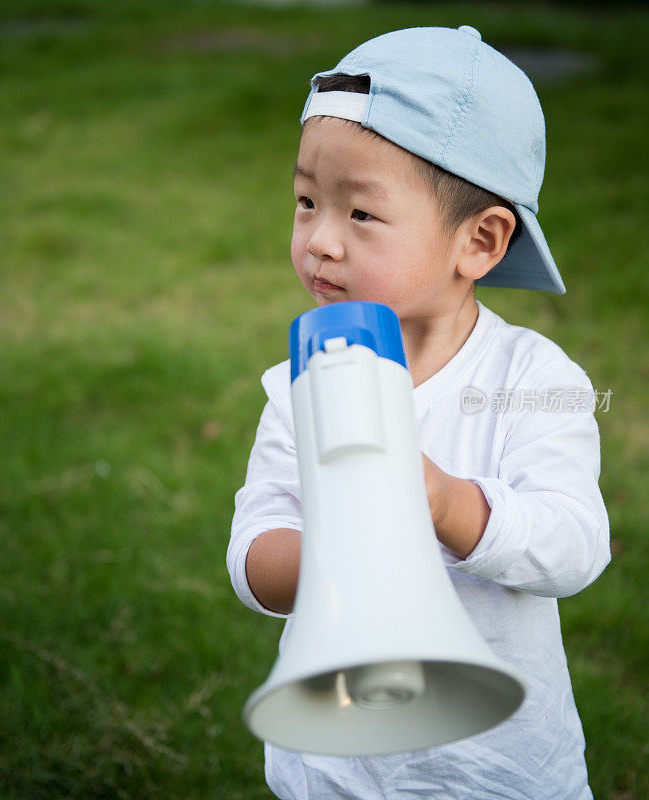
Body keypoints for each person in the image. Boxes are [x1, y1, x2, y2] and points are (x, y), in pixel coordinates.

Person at [227, 25, 610, 800]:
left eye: (360, 215)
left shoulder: (531, 378)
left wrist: (440, 501)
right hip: (337, 766)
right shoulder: (297, 385)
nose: (319, 242)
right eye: (306, 202)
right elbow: (253, 552)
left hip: (496, 766)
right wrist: (335, 551)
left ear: (479, 240)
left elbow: (573, 546)